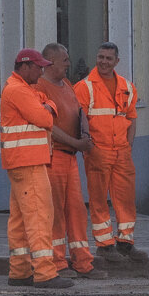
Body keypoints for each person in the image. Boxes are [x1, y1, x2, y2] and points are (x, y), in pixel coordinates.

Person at [1, 48, 73, 289]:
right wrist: (49, 107)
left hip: (22, 162)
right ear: (25, 66)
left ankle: (19, 271)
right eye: (38, 67)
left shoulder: (23, 89)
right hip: (29, 163)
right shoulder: (20, 91)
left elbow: (44, 107)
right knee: (40, 216)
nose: (42, 71)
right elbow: (45, 119)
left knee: (20, 220)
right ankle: (45, 272)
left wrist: (46, 103)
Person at [34, 43, 107, 281]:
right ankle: (58, 263)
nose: (68, 64)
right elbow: (48, 126)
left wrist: (84, 136)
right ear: (51, 62)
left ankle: (83, 262)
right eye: (64, 60)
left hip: (70, 159)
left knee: (76, 210)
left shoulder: (66, 85)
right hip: (53, 157)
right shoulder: (40, 88)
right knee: (55, 213)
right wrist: (77, 144)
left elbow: (79, 113)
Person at [74, 42, 147, 264]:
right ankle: (105, 246)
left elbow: (131, 118)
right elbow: (79, 121)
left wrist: (129, 145)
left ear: (117, 61)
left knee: (125, 199)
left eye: (108, 58)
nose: (103, 61)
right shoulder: (84, 87)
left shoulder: (127, 86)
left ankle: (126, 243)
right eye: (100, 57)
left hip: (122, 152)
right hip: (99, 151)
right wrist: (91, 149)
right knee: (98, 200)